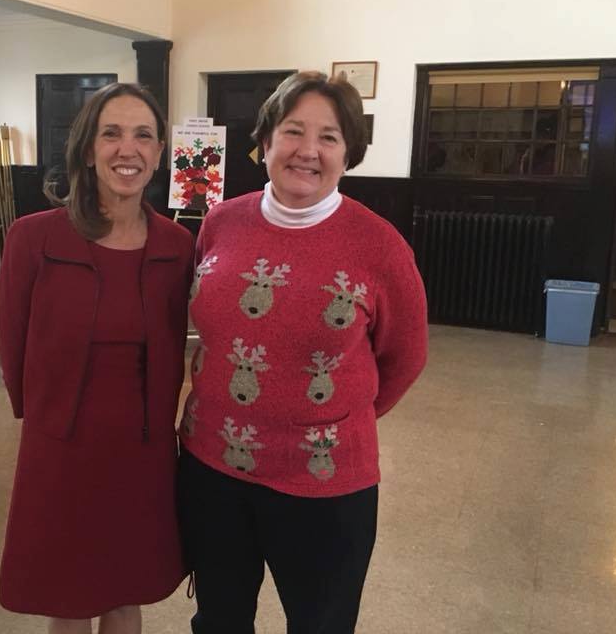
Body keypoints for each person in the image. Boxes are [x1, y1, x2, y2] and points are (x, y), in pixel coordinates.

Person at [178, 71, 428, 634]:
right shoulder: (220, 222)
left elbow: (404, 358)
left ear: (349, 153)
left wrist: (325, 420)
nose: (307, 151)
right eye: (293, 131)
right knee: (218, 619)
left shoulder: (380, 246)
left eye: (329, 137)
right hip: (212, 469)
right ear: (265, 142)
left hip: (325, 484)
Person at [0, 83, 194, 634]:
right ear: (88, 148)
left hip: (143, 444)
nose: (126, 150)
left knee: (126, 591)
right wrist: (39, 418)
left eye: (143, 136)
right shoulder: (33, 238)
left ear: (159, 153)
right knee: (70, 592)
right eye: (111, 133)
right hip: (62, 440)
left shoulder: (178, 247)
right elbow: (12, 340)